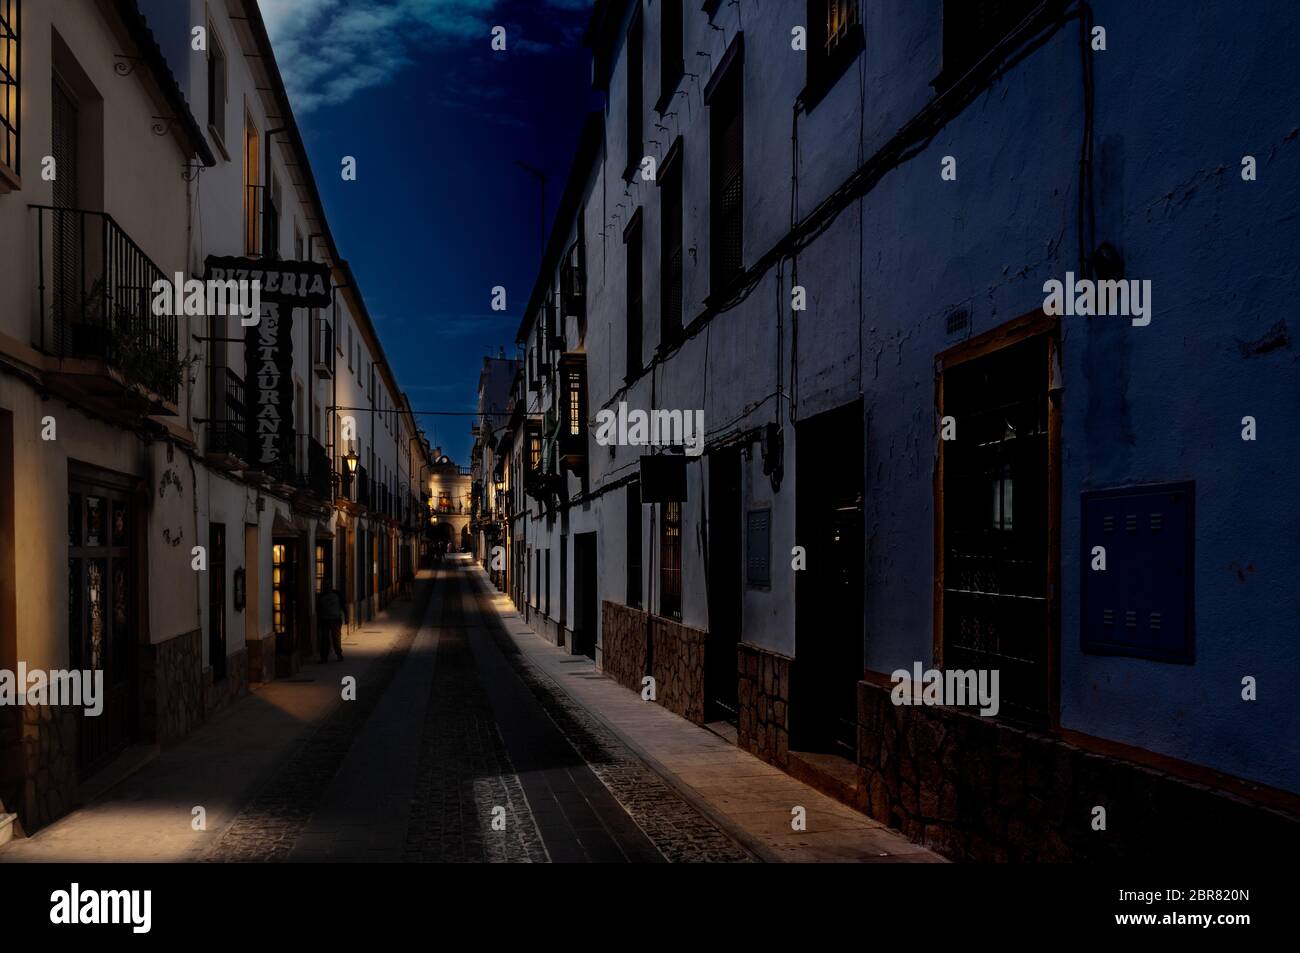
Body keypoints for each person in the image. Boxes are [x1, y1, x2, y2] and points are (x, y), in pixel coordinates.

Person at [316, 581, 345, 662]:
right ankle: (324, 657)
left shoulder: (337, 595)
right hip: (325, 619)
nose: (326, 587)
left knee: (336, 638)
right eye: (325, 586)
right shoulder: (321, 597)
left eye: (328, 585)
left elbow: (343, 605)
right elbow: (318, 609)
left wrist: (346, 617)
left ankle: (339, 654)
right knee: (325, 639)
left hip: (335, 619)